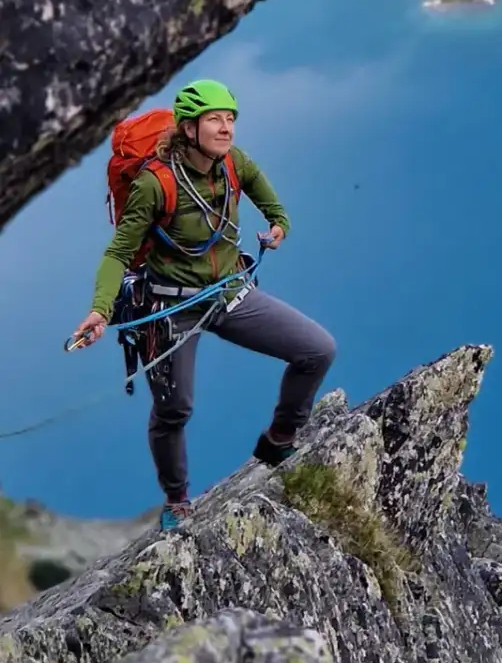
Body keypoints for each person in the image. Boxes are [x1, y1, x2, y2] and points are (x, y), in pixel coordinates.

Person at [70, 79, 337, 532]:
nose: (227, 128)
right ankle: (177, 500)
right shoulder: (156, 183)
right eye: (215, 119)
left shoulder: (233, 163)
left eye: (230, 118)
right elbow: (118, 254)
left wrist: (278, 224)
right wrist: (100, 310)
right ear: (189, 128)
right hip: (170, 308)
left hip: (229, 294)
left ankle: (279, 439)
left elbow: (269, 201)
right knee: (175, 410)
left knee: (317, 350)